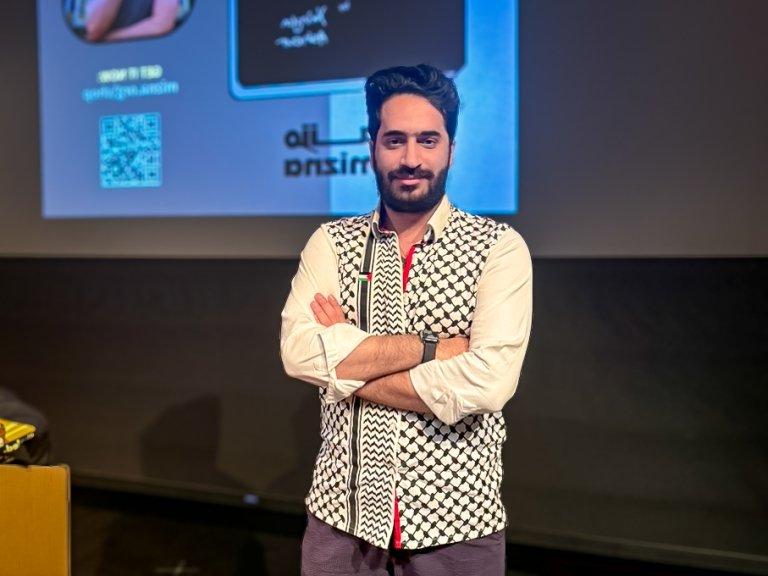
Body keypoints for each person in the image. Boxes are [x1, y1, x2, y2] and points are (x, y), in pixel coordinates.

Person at [280, 64, 532, 575]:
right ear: (372, 145)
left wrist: (344, 371)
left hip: (458, 527)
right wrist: (436, 348)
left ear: (451, 149)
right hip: (340, 522)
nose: (411, 158)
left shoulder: (498, 249)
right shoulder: (330, 243)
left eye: (427, 140)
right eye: (394, 140)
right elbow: (298, 353)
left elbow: (488, 383)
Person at [84, 0, 178, 42]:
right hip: (107, 61)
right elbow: (93, 30)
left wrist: (110, 38)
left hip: (147, 54)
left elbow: (162, 25)